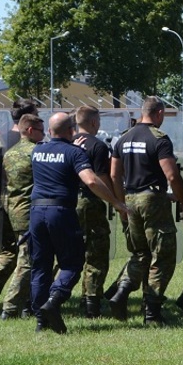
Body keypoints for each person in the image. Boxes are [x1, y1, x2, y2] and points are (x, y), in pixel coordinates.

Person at [29, 112, 128, 333]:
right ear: (71, 131)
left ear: (49, 131)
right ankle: (54, 301)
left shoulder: (37, 150)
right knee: (72, 263)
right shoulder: (74, 152)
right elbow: (91, 181)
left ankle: (40, 320)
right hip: (60, 211)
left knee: (41, 266)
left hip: (36, 211)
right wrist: (116, 202)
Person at [107, 96, 183, 326]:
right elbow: (171, 175)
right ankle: (152, 313)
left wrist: (120, 204)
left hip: (130, 198)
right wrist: (181, 200)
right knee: (162, 255)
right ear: (159, 113)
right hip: (152, 200)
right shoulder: (159, 139)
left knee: (140, 254)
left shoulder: (123, 138)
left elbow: (114, 175)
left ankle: (121, 293)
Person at [0, 97, 39, 295]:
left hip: (2, 201)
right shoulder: (32, 143)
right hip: (24, 203)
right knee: (25, 252)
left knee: (8, 251)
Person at [0, 113, 44, 319]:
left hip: (14, 209)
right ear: (29, 130)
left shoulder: (10, 153)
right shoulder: (35, 152)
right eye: (41, 131)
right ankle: (10, 307)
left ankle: (29, 304)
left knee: (27, 257)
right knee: (27, 260)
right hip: (29, 211)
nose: (44, 135)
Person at [73, 106, 113, 317]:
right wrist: (114, 199)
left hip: (68, 203)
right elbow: (101, 178)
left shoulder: (66, 143)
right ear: (94, 123)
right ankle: (91, 303)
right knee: (96, 253)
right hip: (90, 202)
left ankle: (51, 297)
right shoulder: (98, 146)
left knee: (67, 253)